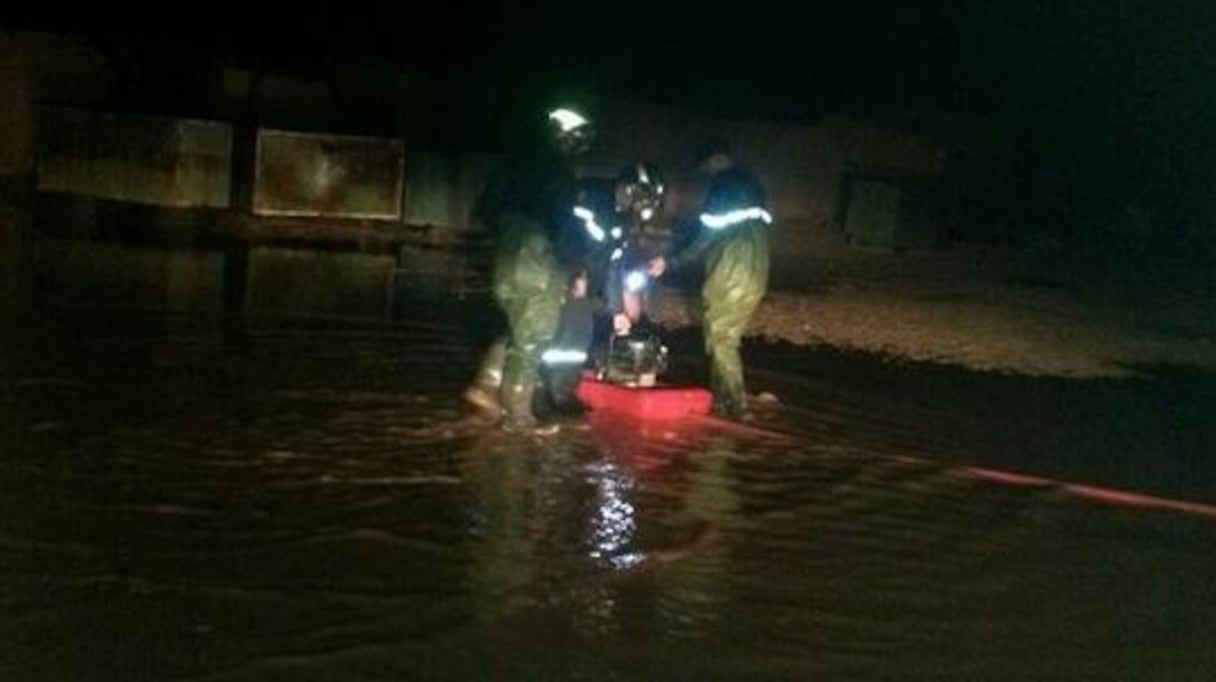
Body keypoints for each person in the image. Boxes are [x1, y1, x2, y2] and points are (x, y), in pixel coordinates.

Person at [463, 106, 594, 433]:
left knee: (518, 330)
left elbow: (484, 211)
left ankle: (485, 387)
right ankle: (519, 419)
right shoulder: (559, 173)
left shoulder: (511, 166)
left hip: (505, 259)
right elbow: (566, 228)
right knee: (533, 342)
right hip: (538, 261)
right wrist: (576, 269)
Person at [648, 140, 771, 418]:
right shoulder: (752, 185)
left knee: (721, 337)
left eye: (704, 167)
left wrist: (669, 261)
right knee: (724, 334)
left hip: (732, 268)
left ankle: (736, 405)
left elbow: (704, 238)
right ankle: (721, 399)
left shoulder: (724, 188)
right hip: (757, 269)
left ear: (714, 161)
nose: (704, 174)